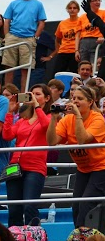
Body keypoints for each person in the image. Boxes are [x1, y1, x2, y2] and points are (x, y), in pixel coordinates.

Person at [45, 85, 105, 227]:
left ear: (90, 102)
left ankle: (83, 236)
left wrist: (77, 115)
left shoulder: (97, 118)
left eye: (80, 98)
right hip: (84, 167)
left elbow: (82, 139)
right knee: (76, 205)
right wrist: (53, 119)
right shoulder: (66, 120)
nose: (75, 101)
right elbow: (52, 141)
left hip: (104, 165)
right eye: (73, 98)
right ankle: (80, 234)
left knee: (86, 203)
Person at [2, 84, 51, 226]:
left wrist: (37, 107)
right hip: (15, 167)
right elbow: (7, 135)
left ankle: (33, 235)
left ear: (47, 98)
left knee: (29, 206)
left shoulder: (49, 116)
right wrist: (10, 112)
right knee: (14, 209)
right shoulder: (22, 120)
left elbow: (46, 126)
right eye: (32, 94)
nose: (34, 97)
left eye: (38, 94)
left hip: (35, 168)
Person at [3, 0, 46, 90]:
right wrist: (7, 36)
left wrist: (36, 36)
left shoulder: (38, 4)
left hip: (28, 38)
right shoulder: (14, 3)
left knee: (26, 69)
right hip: (13, 37)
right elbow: (7, 20)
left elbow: (42, 22)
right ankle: (7, 94)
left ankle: (23, 97)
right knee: (9, 67)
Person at [44, 0, 82, 78]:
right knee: (56, 75)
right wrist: (58, 50)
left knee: (75, 75)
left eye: (74, 8)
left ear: (78, 10)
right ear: (67, 10)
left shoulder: (81, 21)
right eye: (70, 8)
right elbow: (57, 39)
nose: (72, 10)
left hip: (75, 52)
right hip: (63, 52)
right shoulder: (63, 23)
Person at [77, 0, 105, 64]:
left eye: (99, 0)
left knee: (94, 64)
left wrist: (103, 38)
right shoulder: (82, 17)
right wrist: (76, 50)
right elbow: (78, 35)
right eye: (95, 0)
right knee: (83, 64)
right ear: (89, 2)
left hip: (97, 41)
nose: (98, 2)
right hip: (84, 42)